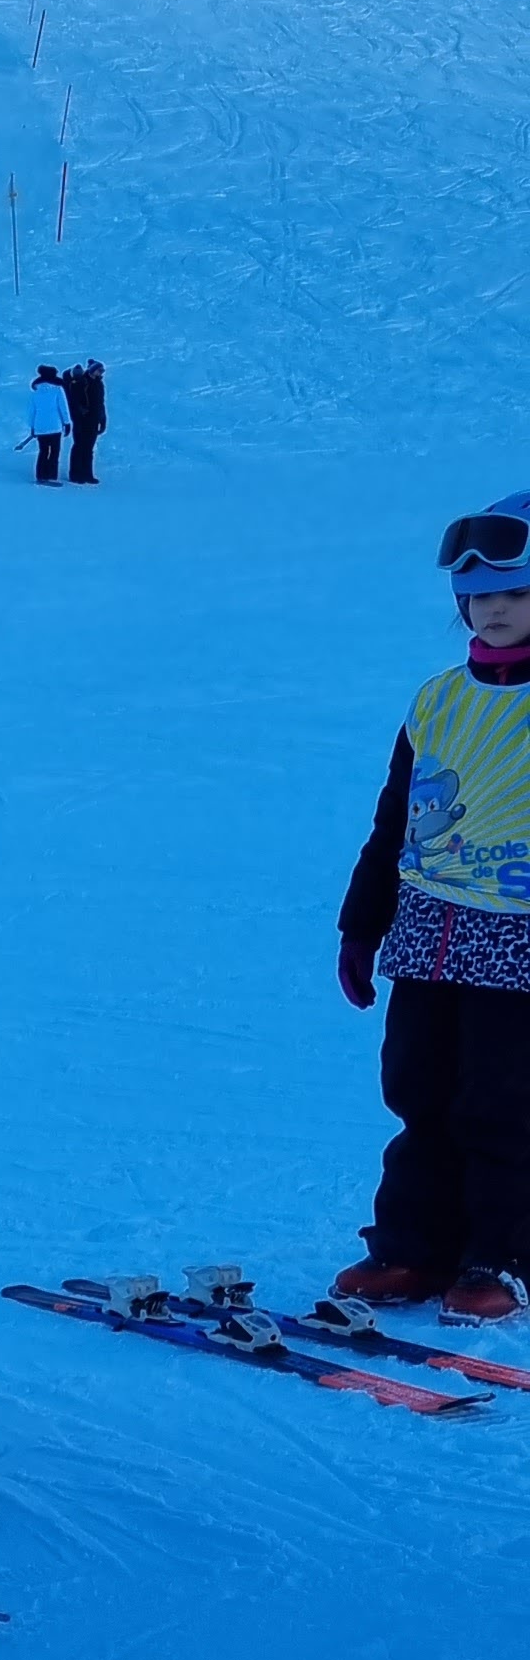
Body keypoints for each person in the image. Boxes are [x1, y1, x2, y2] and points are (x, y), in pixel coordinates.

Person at [331, 492, 530, 1322]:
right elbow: (394, 819)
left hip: (518, 942)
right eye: (478, 596)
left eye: (514, 593)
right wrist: (361, 924)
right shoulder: (438, 700)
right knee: (418, 1090)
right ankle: (413, 1246)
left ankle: (501, 1257)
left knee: (502, 1102)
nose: (494, 610)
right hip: (429, 932)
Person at [64, 358, 109, 486]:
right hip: (81, 420)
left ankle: (87, 474)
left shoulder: (99, 384)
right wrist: (80, 411)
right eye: (99, 370)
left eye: (102, 371)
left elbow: (101, 403)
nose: (101, 373)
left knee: (89, 447)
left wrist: (103, 419)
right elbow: (73, 400)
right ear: (92, 370)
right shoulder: (81, 382)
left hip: (94, 420)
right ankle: (75, 474)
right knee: (79, 446)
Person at [28, 367, 71, 484]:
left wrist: (32, 427)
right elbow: (63, 407)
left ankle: (40, 475)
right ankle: (51, 475)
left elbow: (32, 411)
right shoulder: (58, 390)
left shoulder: (35, 393)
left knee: (43, 451)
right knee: (54, 452)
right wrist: (67, 423)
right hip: (55, 426)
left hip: (40, 427)